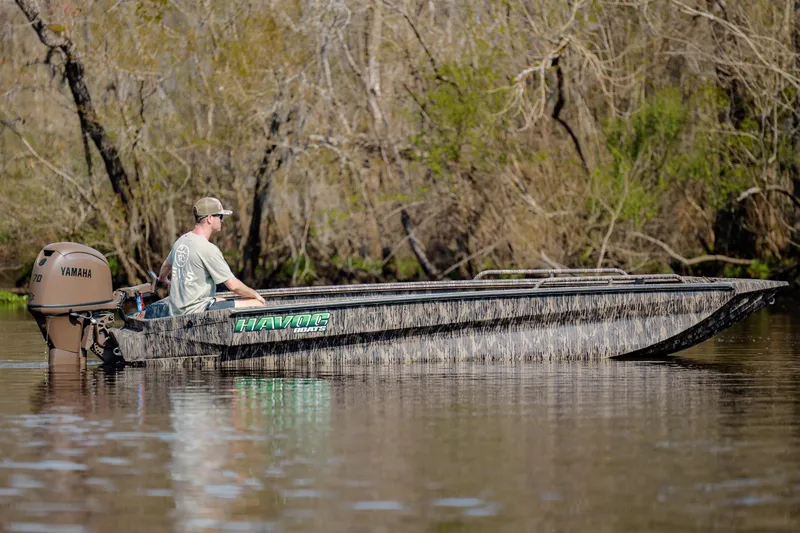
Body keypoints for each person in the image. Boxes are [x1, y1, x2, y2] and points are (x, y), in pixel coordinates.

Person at [158, 197, 265, 315]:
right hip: (196, 313)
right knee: (257, 303)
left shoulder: (181, 241)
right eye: (220, 216)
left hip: (177, 311)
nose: (222, 221)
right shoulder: (208, 249)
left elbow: (165, 266)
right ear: (209, 218)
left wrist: (163, 279)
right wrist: (255, 294)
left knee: (221, 299)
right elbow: (233, 286)